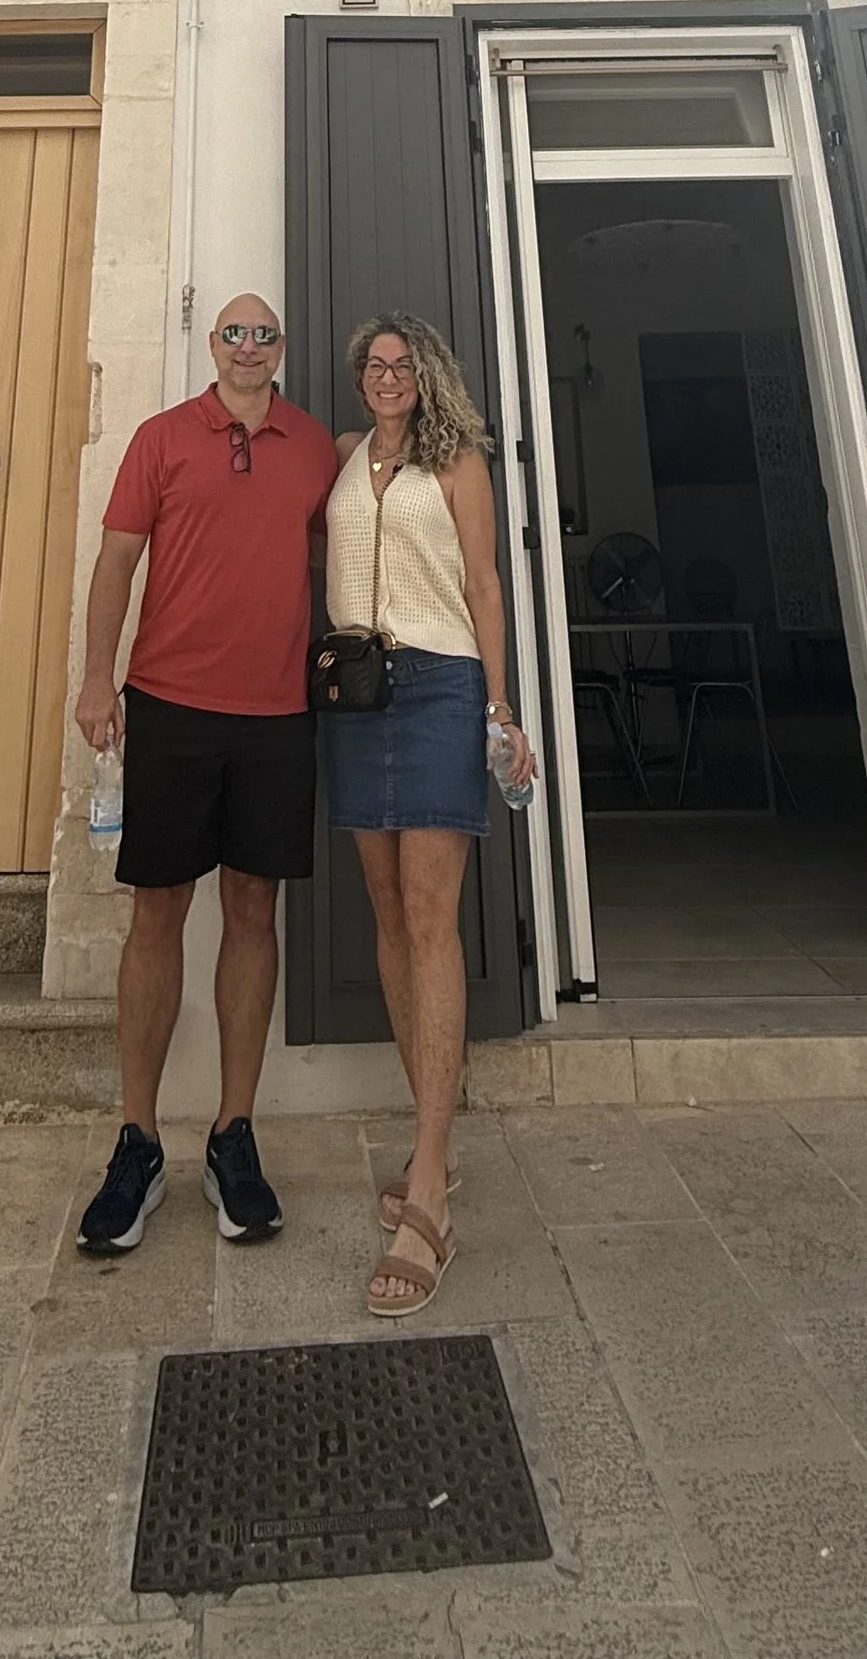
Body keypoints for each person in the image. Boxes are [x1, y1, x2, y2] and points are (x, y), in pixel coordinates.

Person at [70, 292, 340, 1256]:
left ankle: (234, 1134)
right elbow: (116, 562)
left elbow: (342, 548)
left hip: (278, 713)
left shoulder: (314, 447)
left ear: (281, 348)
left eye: (264, 334)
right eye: (234, 333)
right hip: (171, 705)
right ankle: (138, 1142)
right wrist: (96, 678)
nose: (249, 346)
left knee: (255, 910)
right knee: (157, 911)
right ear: (212, 344)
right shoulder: (160, 438)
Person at [322, 311, 536, 1320]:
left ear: (427, 374)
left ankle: (431, 1192)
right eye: (374, 363)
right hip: (356, 689)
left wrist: (500, 707)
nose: (387, 375)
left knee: (427, 917)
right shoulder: (342, 455)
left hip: (441, 687)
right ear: (359, 376)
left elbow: (484, 586)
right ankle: (430, 1153)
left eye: (403, 363)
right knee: (385, 913)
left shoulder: (458, 464)